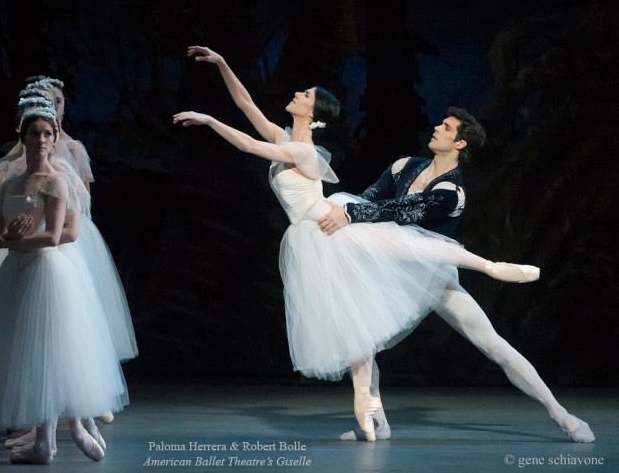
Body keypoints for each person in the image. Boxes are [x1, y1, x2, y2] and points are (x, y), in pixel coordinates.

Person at [173, 46, 540, 442]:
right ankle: (371, 416)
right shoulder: (284, 136)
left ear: (313, 113)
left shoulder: (303, 151)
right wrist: (224, 64)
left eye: (306, 95)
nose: (298, 94)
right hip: (312, 236)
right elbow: (246, 105)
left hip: (330, 225)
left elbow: (247, 145)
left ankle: (490, 266)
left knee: (408, 247)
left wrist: (209, 119)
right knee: (354, 329)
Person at [317, 107, 595, 443]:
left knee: (493, 344)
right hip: (395, 273)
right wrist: (335, 213)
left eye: (446, 127)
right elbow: (371, 197)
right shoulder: (404, 166)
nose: (436, 127)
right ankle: (377, 422)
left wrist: (352, 213)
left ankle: (561, 414)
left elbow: (402, 210)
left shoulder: (452, 193)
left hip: (434, 276)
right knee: (361, 345)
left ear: (460, 143)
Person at [0, 106, 128, 464]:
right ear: (23, 139)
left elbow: (55, 236)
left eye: (46, 134)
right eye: (33, 134)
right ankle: (46, 438)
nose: (40, 140)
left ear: (54, 141)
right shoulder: (10, 182)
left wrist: (11, 242)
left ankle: (63, 433)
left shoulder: (56, 180)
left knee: (49, 348)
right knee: (23, 350)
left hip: (46, 270)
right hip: (14, 271)